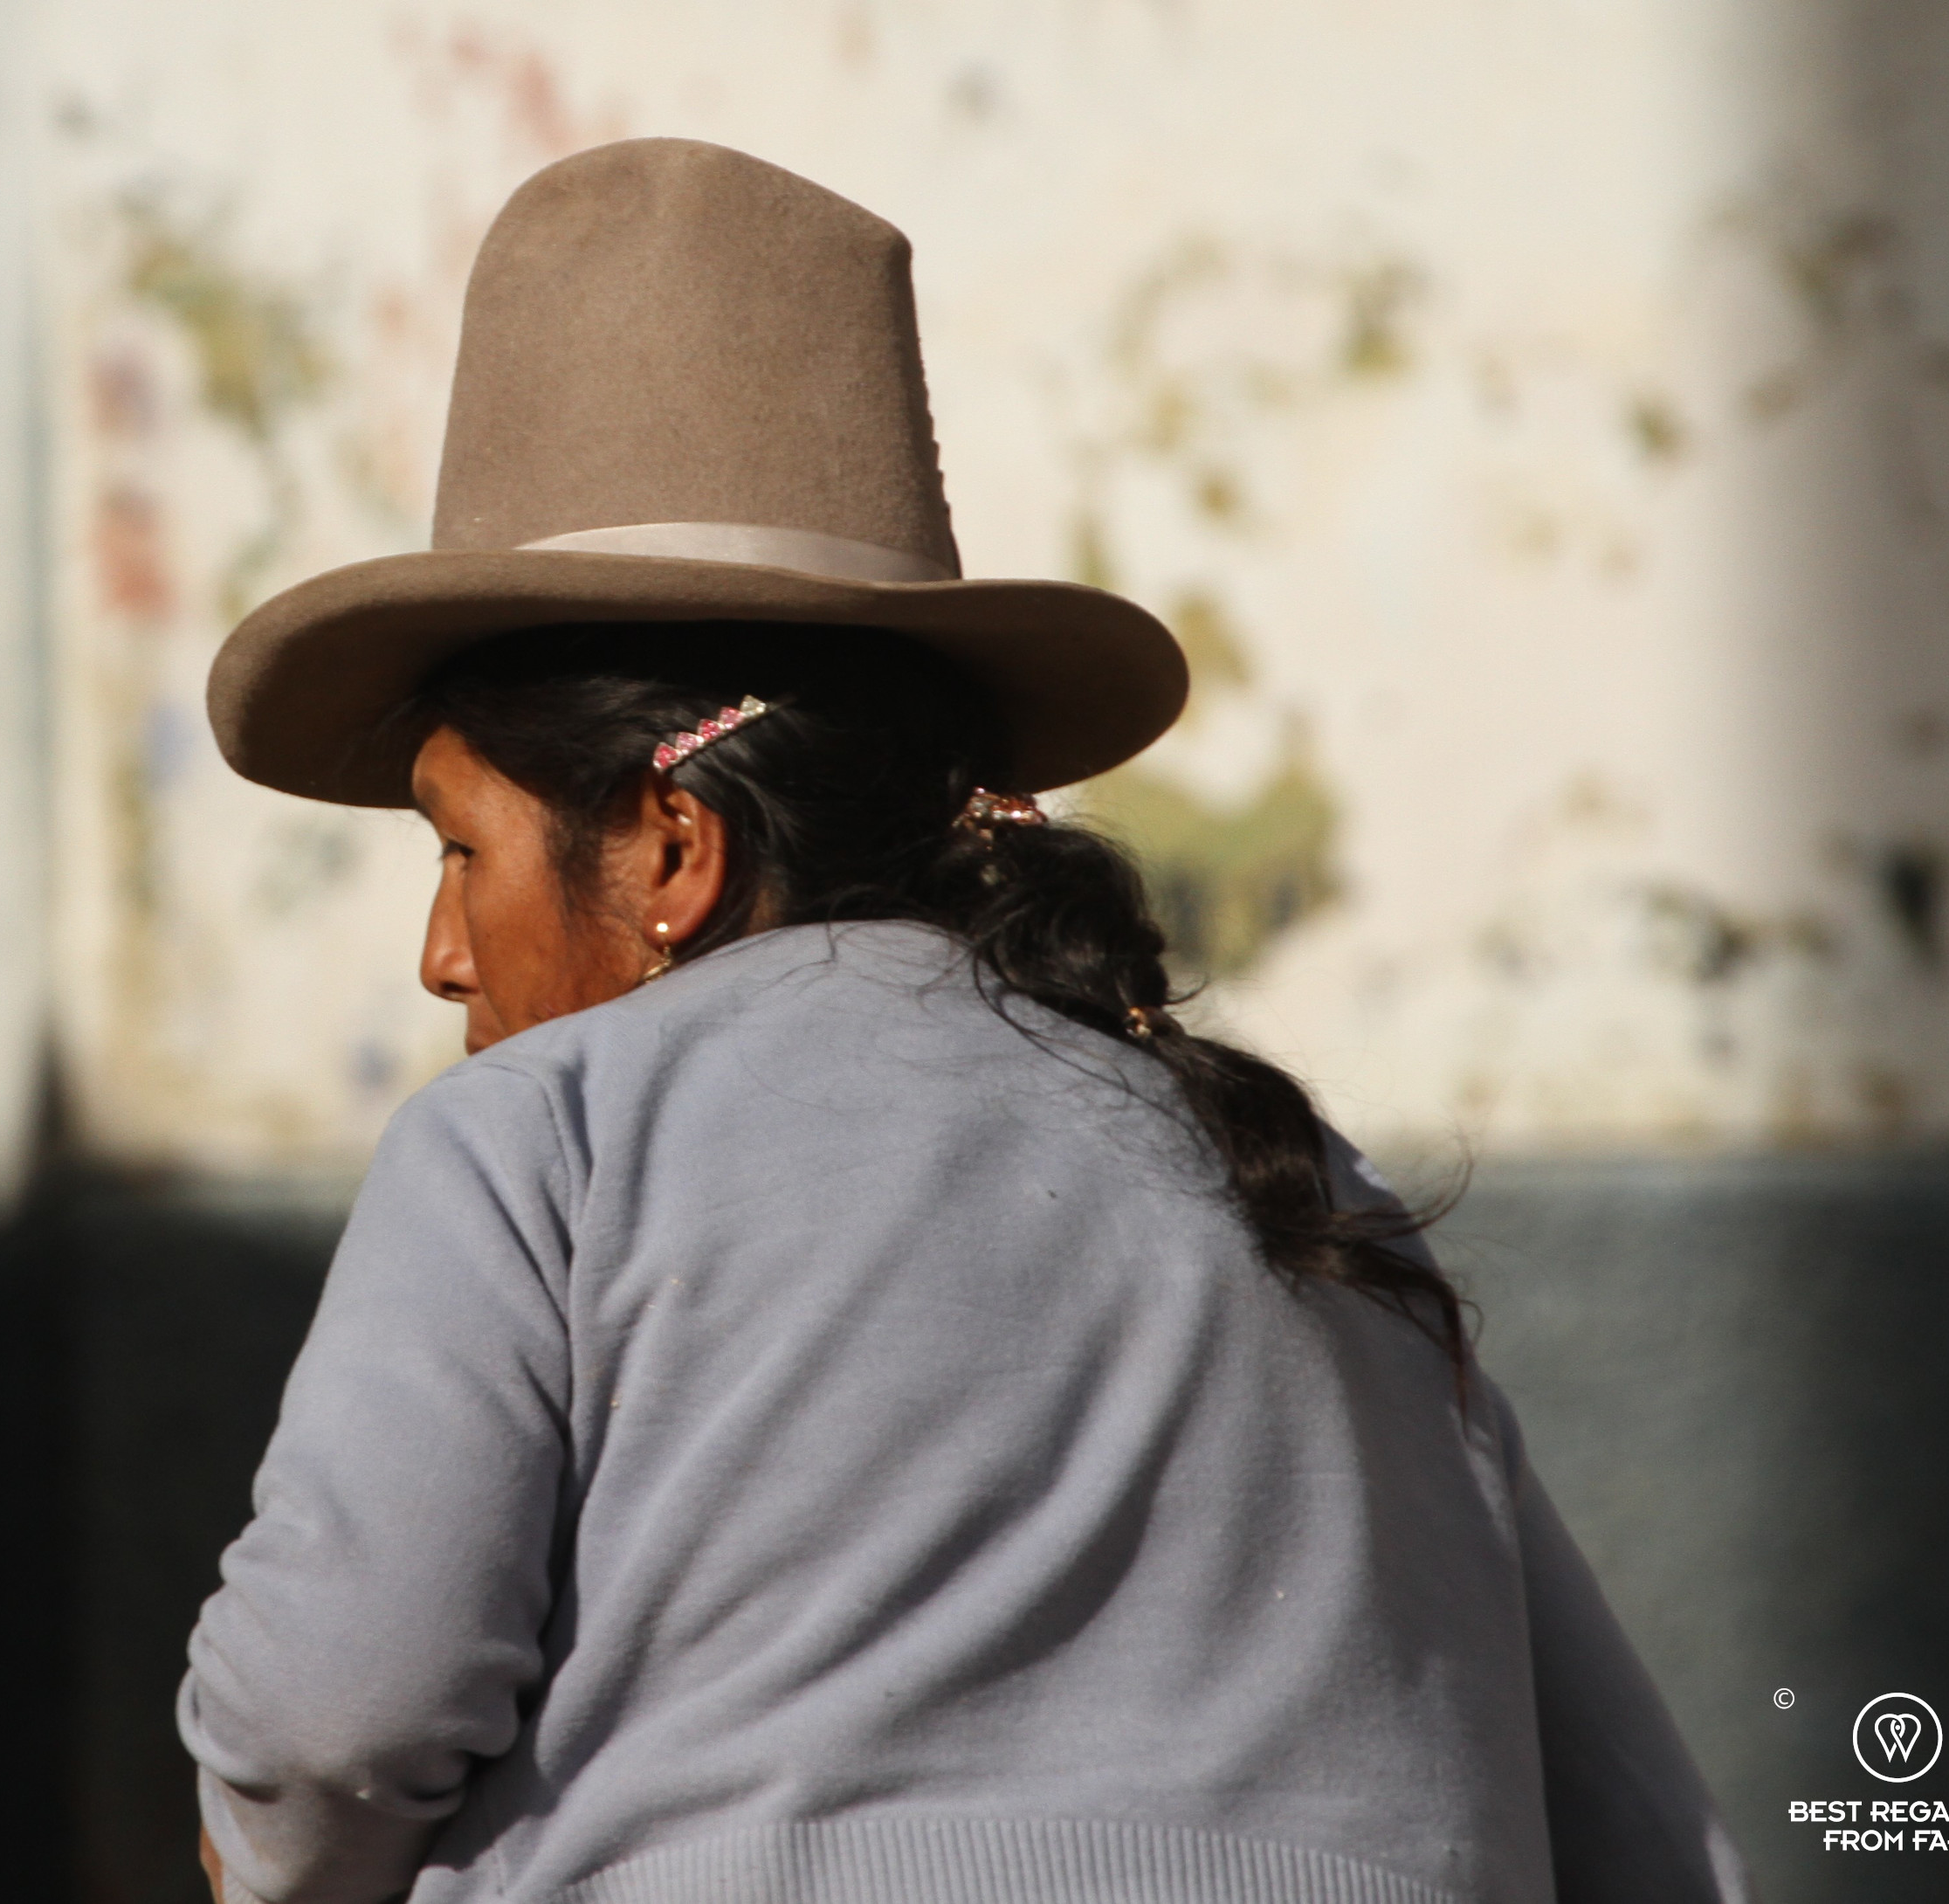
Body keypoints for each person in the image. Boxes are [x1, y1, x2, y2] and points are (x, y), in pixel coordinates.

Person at [180, 138, 1747, 1904]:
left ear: (674, 845)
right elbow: (1646, 1841)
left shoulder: (547, 1134)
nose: (442, 952)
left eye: (462, 852)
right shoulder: (1305, 1185)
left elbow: (328, 1728)